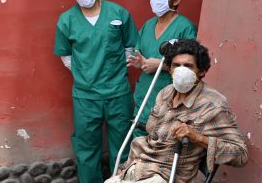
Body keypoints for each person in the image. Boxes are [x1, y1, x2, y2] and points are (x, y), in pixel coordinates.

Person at [105, 39, 248, 183]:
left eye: (188, 66)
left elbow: (241, 155)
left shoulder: (212, 105)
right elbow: (152, 137)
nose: (181, 70)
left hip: (166, 176)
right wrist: (125, 168)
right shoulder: (165, 93)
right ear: (170, 69)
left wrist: (198, 138)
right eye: (176, 65)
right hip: (139, 167)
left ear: (202, 71)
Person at [53, 0, 139, 183]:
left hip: (118, 92)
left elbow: (130, 47)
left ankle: (122, 180)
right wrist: (86, 74)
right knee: (86, 148)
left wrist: (114, 72)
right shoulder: (67, 20)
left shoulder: (118, 14)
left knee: (123, 146)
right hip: (85, 96)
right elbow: (66, 56)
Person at [127, 0, 197, 137]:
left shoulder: (185, 28)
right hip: (145, 96)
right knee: (138, 143)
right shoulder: (148, 25)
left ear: (175, 0)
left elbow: (191, 67)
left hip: (169, 99)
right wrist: (141, 62)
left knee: (161, 147)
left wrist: (161, 65)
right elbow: (143, 53)